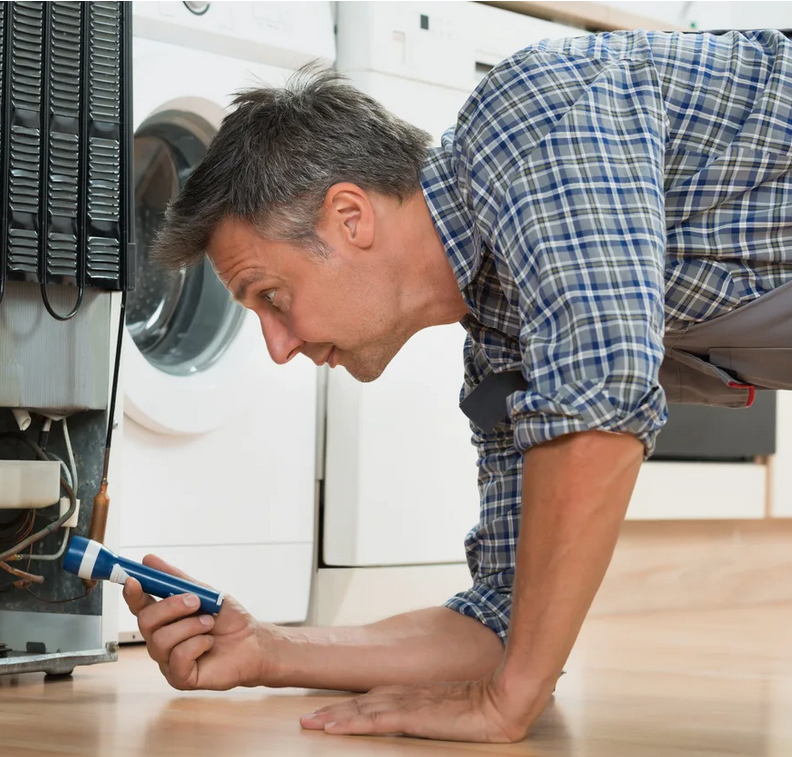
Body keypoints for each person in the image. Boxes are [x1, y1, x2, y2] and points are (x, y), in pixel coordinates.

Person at [121, 28, 792, 743]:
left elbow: (603, 386)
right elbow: (503, 619)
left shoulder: (529, 117)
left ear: (350, 217)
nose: (279, 346)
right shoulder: (503, 339)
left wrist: (507, 701)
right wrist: (268, 648)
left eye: (272, 296)